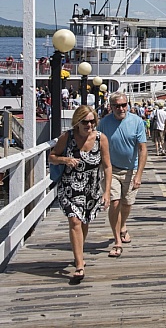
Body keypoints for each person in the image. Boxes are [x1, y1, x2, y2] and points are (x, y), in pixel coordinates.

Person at [49, 105, 112, 281]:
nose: (89, 125)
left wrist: (106, 192)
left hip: (91, 189)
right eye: (85, 122)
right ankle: (79, 264)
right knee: (75, 221)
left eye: (92, 121)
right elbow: (52, 156)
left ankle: (79, 251)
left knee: (84, 222)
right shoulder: (67, 137)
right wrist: (65, 159)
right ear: (77, 122)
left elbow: (107, 166)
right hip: (69, 187)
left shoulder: (101, 139)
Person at [99, 92, 148, 258]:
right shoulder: (104, 123)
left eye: (123, 105)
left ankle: (123, 226)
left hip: (131, 169)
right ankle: (117, 241)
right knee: (114, 203)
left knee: (127, 204)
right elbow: (95, 144)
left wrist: (139, 175)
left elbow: (142, 149)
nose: (121, 108)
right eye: (117, 106)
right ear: (111, 107)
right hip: (111, 169)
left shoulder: (137, 122)